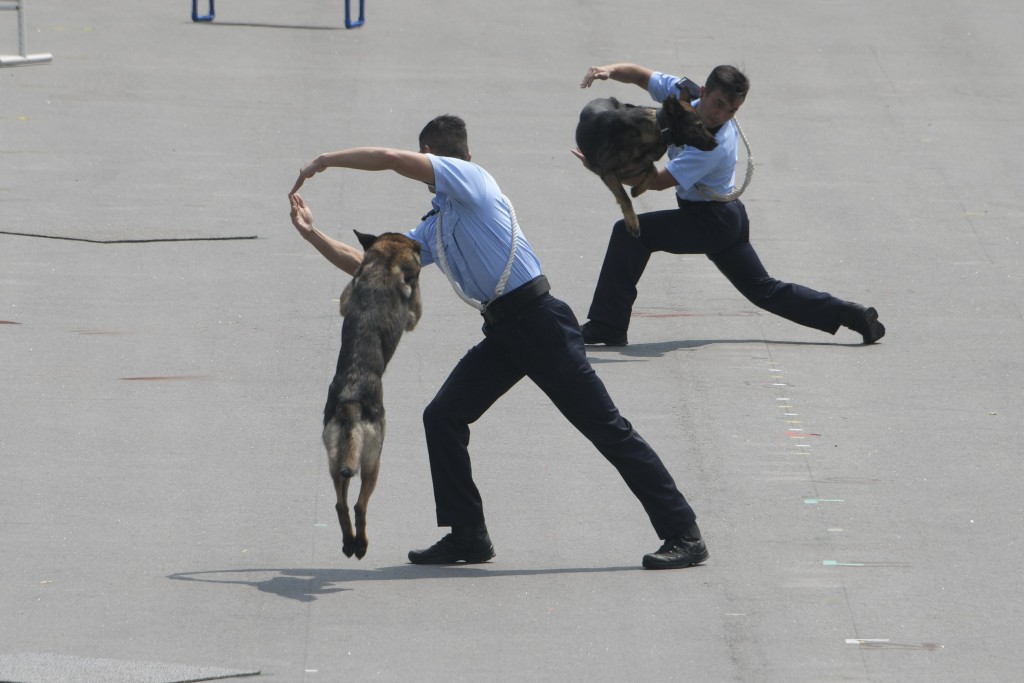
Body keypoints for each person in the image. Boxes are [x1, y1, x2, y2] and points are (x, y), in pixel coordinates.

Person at [288, 115, 708, 570]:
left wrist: (326, 160)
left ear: (439, 158)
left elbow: (391, 160)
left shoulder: (472, 181)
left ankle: (683, 532)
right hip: (506, 330)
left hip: (541, 324)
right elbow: (371, 267)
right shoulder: (436, 224)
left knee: (607, 429)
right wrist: (312, 233)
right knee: (443, 417)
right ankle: (468, 534)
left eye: (428, 159)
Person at [574, 63, 886, 347]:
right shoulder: (682, 95)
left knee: (630, 233)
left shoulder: (712, 147)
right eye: (718, 104)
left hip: (710, 222)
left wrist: (601, 165)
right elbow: (643, 77)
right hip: (728, 217)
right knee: (765, 290)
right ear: (703, 92)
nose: (720, 114)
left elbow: (654, 182)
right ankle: (852, 315)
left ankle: (607, 325)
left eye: (731, 110)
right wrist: (609, 71)